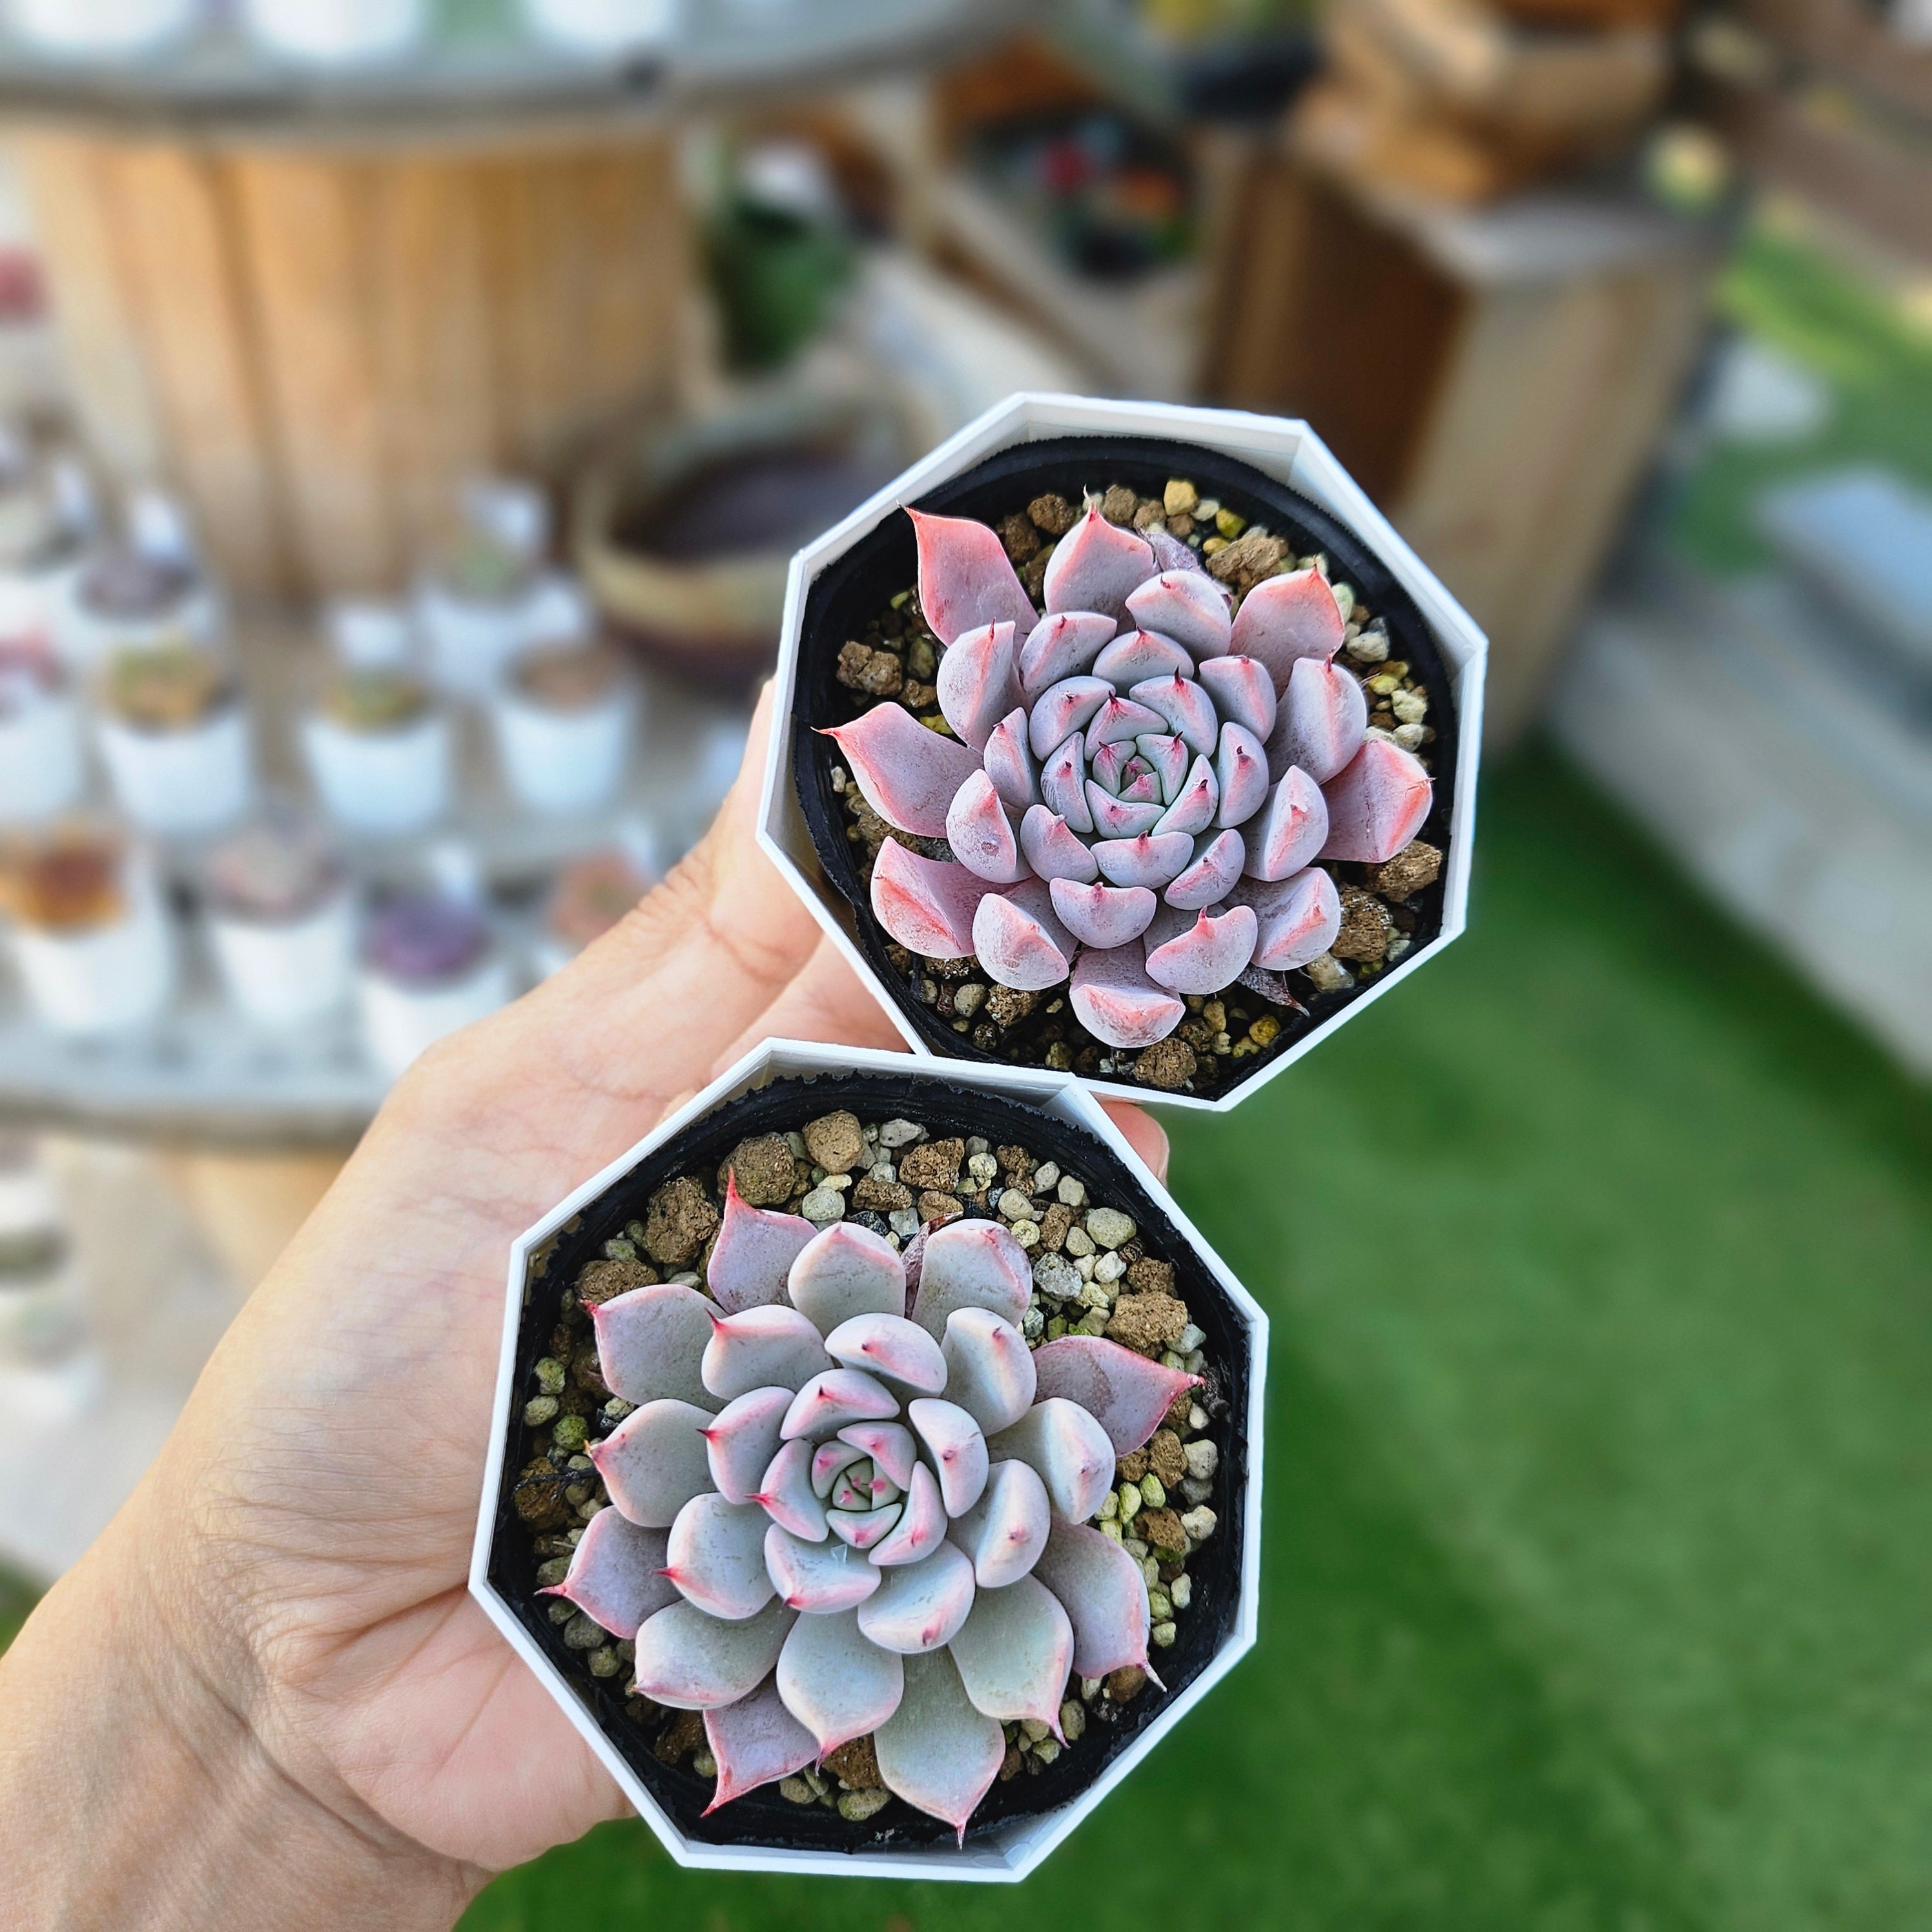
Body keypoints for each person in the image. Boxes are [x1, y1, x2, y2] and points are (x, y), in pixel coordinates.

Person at [0, 692, 1167, 1929]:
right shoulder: (741, 1457)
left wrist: (256, 1724)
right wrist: (248, 1705)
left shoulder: (923, 1388)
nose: (866, 1489)